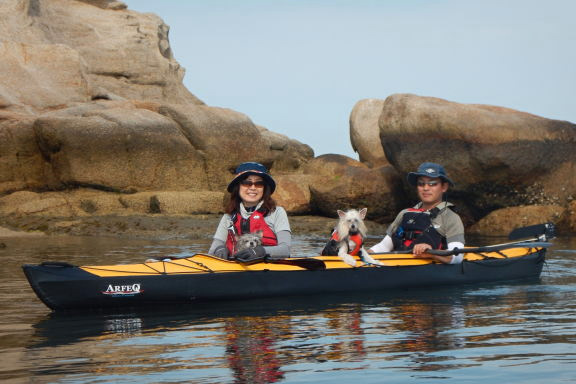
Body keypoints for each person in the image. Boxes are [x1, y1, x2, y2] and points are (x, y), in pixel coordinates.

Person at [369, 162, 465, 264]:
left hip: (429, 272)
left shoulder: (451, 218)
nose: (426, 188)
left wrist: (432, 253)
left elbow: (457, 258)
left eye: (432, 183)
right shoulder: (404, 213)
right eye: (421, 184)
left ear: (444, 187)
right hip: (397, 266)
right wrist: (365, 253)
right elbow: (383, 246)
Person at [208, 162, 291, 263]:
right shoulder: (228, 217)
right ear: (238, 187)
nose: (252, 187)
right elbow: (213, 249)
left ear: (264, 189)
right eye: (247, 183)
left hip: (268, 270)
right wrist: (219, 250)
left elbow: (285, 250)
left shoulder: (277, 212)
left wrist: (260, 251)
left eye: (259, 183)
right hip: (234, 269)